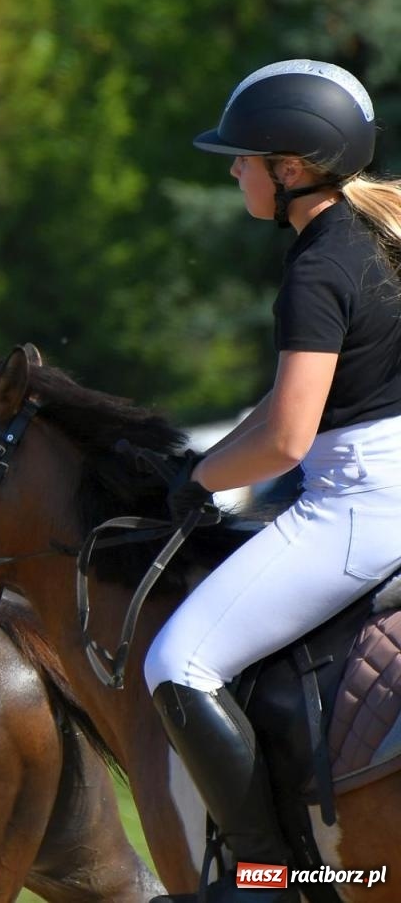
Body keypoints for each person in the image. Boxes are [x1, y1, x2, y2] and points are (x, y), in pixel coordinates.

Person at [144, 59, 401, 903]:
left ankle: (268, 881)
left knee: (176, 662)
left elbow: (290, 439)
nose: (233, 170)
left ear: (290, 171)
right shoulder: (368, 241)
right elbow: (289, 405)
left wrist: (201, 482)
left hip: (361, 510)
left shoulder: (318, 267)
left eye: (244, 159)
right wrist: (202, 473)